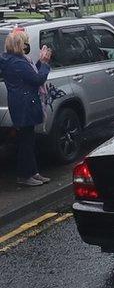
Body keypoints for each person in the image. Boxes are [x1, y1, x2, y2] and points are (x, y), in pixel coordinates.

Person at [0, 30, 53, 186]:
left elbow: (30, 74)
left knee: (29, 140)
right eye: (25, 42)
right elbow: (37, 79)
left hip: (23, 102)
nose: (27, 45)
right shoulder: (17, 62)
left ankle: (33, 172)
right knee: (26, 142)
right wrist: (44, 63)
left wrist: (39, 63)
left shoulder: (16, 60)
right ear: (19, 45)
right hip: (24, 104)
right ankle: (24, 175)